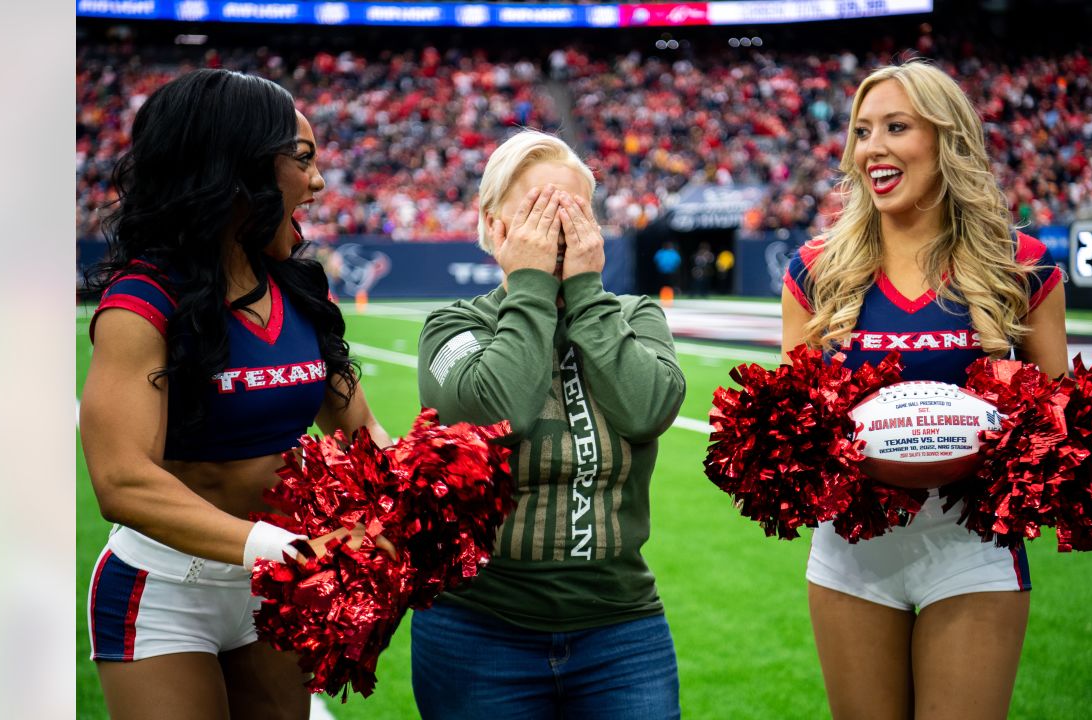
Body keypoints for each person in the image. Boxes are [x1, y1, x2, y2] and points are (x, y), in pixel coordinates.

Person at [80, 68, 393, 720]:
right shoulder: (141, 304)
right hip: (164, 590)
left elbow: (364, 441)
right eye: (302, 160)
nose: (319, 182)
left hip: (273, 587)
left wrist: (420, 507)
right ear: (239, 170)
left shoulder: (303, 292)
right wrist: (290, 549)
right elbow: (122, 480)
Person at [781, 60, 1066, 720]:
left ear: (946, 138)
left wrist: (1030, 431)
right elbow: (787, 433)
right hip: (852, 555)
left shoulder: (1020, 263)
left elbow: (1062, 429)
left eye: (896, 127)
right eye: (861, 131)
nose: (872, 147)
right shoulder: (815, 269)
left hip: (974, 552)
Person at [412, 129, 686, 719]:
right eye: (537, 211)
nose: (557, 229)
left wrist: (585, 290)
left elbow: (648, 409)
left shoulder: (636, 316)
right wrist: (533, 284)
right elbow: (493, 414)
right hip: (477, 628)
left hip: (621, 627)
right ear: (495, 225)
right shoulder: (451, 326)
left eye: (572, 212)